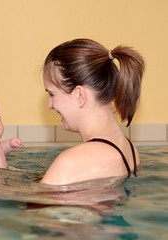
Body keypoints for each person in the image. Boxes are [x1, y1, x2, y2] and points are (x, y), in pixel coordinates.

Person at [41, 38, 145, 185]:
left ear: (80, 95)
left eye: (52, 94)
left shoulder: (70, 163)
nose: (50, 105)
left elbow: (35, 207)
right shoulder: (130, 150)